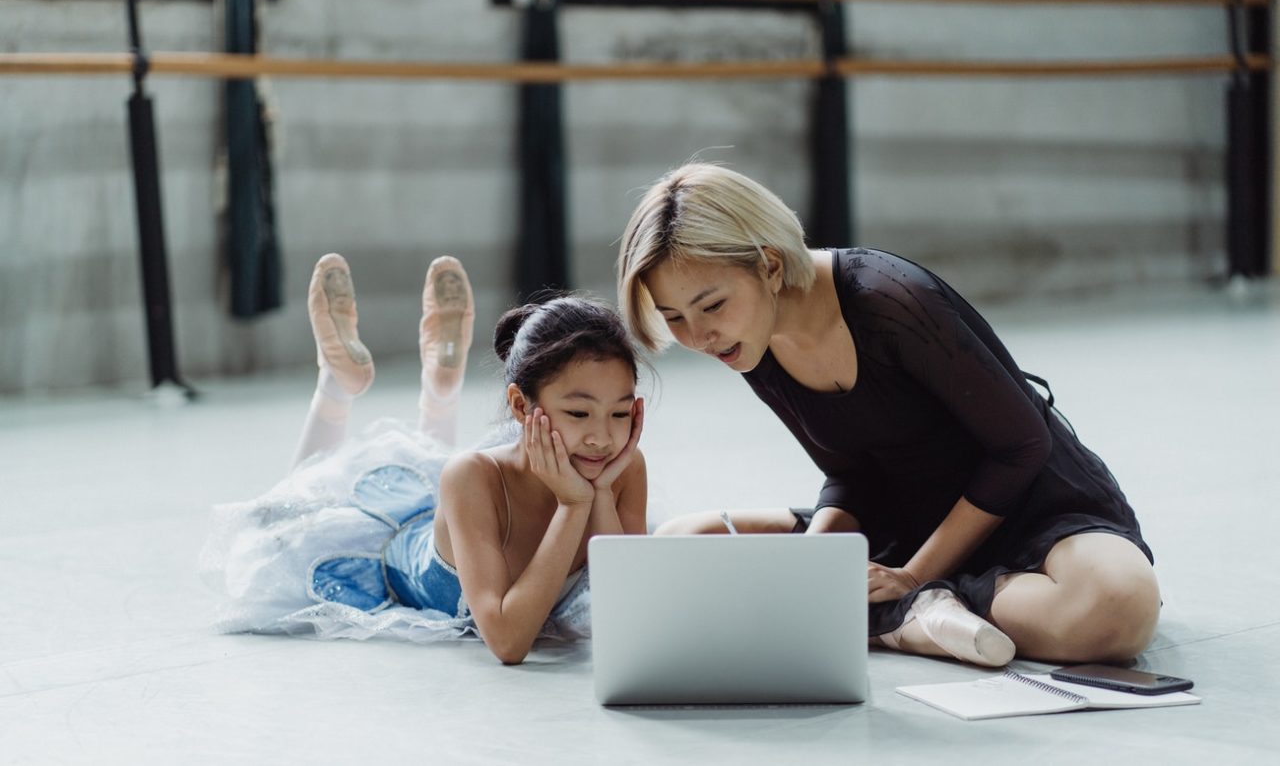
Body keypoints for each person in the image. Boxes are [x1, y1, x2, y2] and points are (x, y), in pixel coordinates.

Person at [616, 163, 1159, 668]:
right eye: (673, 318)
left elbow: (1020, 448)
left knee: (1118, 608)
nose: (699, 336)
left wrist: (914, 575)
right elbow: (854, 475)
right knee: (683, 538)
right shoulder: (747, 342)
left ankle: (905, 616)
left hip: (1030, 507)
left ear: (771, 265)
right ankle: (907, 611)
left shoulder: (890, 300)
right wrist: (817, 556)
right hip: (909, 520)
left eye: (711, 306)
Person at [201, 254, 647, 665]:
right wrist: (573, 506)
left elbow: (630, 615)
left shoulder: (621, 471)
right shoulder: (473, 476)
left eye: (621, 413)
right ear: (520, 406)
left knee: (434, 465)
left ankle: (439, 384)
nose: (603, 438)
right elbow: (509, 643)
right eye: (578, 413)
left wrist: (601, 495)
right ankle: (337, 387)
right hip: (392, 557)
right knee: (280, 519)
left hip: (462, 515)